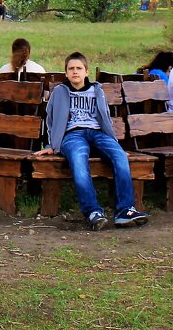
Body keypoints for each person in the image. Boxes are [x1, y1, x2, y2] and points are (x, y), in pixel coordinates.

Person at [32, 52, 149, 230]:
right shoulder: (60, 92)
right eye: (71, 69)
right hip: (72, 135)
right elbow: (51, 121)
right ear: (66, 73)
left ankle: (125, 211)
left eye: (79, 68)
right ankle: (93, 212)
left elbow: (105, 120)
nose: (75, 72)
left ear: (86, 72)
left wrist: (115, 145)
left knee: (120, 157)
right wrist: (51, 145)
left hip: (97, 133)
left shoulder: (97, 91)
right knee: (79, 161)